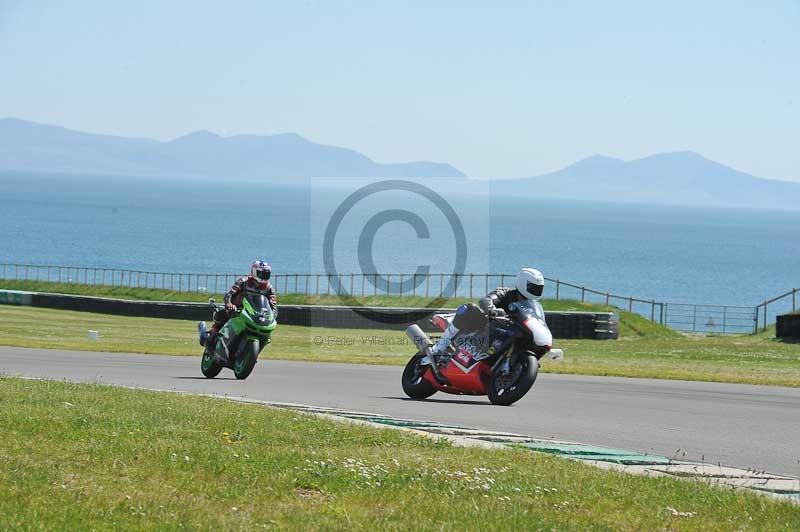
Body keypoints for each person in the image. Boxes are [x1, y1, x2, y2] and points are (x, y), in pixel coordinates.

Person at [427, 268, 545, 363]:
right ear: (523, 283)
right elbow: (486, 300)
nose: (536, 291)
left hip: (508, 334)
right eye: (533, 287)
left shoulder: (534, 307)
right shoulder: (506, 293)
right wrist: (492, 309)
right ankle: (439, 349)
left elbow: (538, 322)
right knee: (469, 308)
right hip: (487, 327)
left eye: (539, 288)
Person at [201, 260, 277, 355]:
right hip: (237, 310)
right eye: (262, 274)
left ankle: (251, 353)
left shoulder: (269, 288)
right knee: (221, 314)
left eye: (266, 274)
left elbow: (273, 306)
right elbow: (229, 295)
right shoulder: (243, 281)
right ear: (254, 272)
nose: (264, 277)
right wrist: (229, 304)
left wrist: (272, 316)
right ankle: (210, 340)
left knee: (267, 334)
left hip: (255, 314)